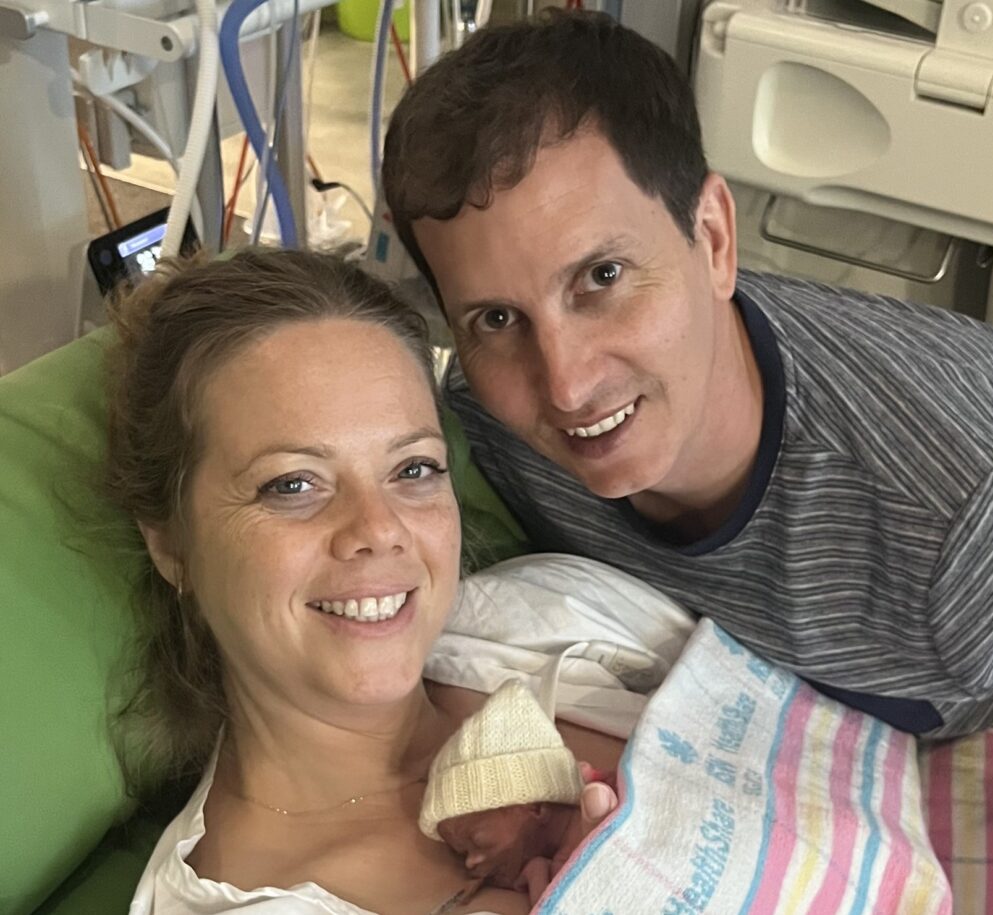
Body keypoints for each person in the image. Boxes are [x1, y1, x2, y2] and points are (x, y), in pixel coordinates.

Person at [381, 9, 993, 740]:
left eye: (602, 275)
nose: (565, 385)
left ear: (714, 239)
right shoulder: (491, 439)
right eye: (496, 320)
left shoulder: (975, 497)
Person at [108, 249, 622, 915]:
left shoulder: (558, 613)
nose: (379, 528)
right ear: (171, 543)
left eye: (412, 469)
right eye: (292, 483)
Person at [418, 679, 617, 906]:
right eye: (464, 853)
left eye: (479, 841)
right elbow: (554, 906)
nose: (470, 863)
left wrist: (535, 871)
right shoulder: (558, 863)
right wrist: (534, 870)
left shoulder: (598, 811)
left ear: (536, 808)